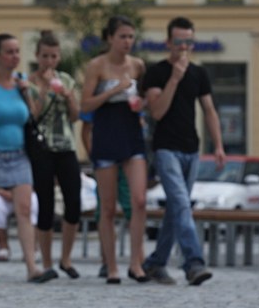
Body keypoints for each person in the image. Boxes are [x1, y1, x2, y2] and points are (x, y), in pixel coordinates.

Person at [141, 16, 225, 286]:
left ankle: (155, 263)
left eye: (189, 41)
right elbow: (156, 111)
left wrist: (219, 146)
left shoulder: (199, 73)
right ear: (168, 42)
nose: (184, 46)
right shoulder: (156, 72)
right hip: (166, 148)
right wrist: (175, 79)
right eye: (179, 41)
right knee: (181, 204)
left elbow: (209, 110)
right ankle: (193, 263)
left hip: (192, 148)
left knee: (176, 209)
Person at [0, 33, 53, 283]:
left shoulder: (22, 82)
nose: (15, 56)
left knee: (24, 209)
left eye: (17, 51)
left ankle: (32, 267)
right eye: (10, 52)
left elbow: (33, 116)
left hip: (19, 156)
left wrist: (31, 92)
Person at [81, 15, 148, 284]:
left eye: (131, 37)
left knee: (139, 200)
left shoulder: (139, 65)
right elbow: (85, 105)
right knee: (107, 207)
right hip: (106, 135)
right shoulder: (96, 66)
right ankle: (111, 266)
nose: (127, 42)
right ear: (110, 38)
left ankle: (136, 262)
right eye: (122, 36)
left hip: (132, 134)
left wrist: (140, 104)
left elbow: (144, 97)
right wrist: (113, 91)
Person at [27, 31, 81, 280]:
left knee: (73, 204)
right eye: (45, 56)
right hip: (43, 149)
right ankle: (47, 261)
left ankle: (66, 258)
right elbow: (34, 115)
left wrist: (68, 95)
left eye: (54, 56)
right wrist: (46, 88)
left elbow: (75, 116)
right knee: (46, 206)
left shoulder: (67, 80)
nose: (49, 61)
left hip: (67, 148)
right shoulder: (30, 82)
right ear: (38, 56)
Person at [80, 110, 132, 278]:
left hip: (127, 158)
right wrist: (93, 155)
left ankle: (138, 260)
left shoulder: (130, 91)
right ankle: (107, 261)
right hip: (104, 157)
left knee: (133, 208)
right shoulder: (99, 95)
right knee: (104, 210)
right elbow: (85, 130)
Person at [0, 188, 39, 262]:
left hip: (26, 192)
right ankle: (3, 247)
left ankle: (32, 249)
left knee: (34, 202)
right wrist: (2, 192)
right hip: (1, 193)